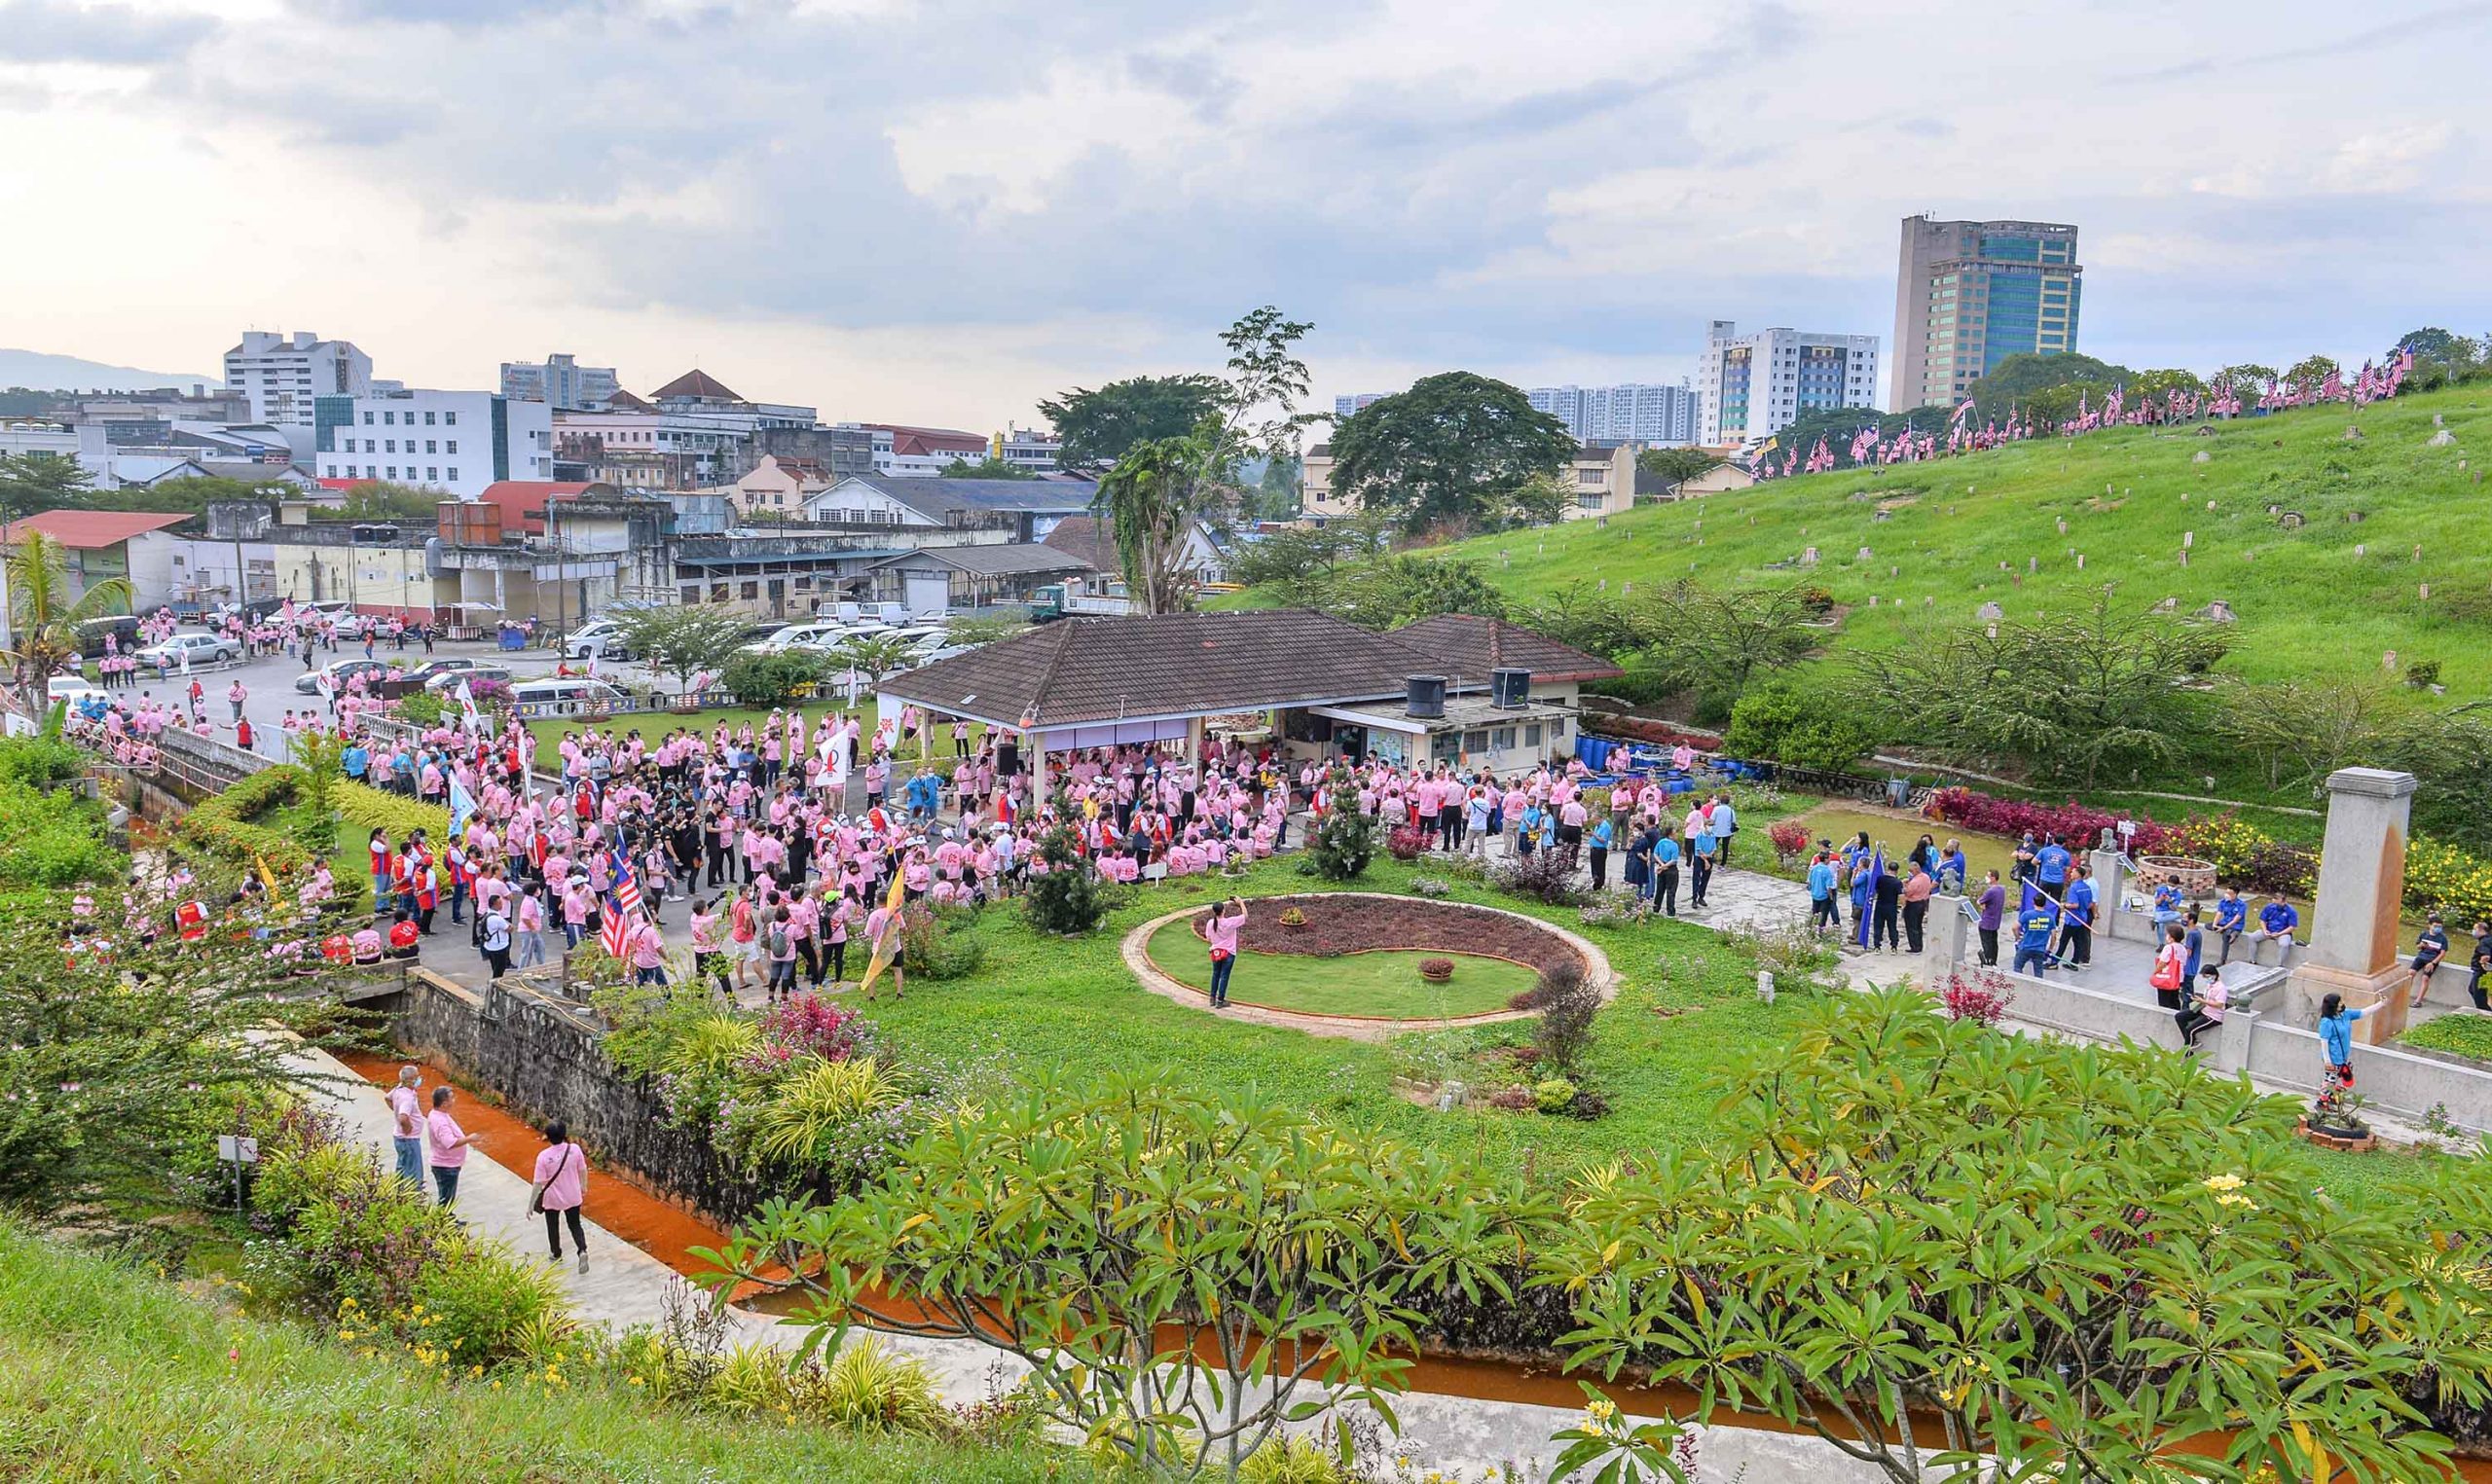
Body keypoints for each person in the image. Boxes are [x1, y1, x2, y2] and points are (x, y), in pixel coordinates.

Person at [531, 1120, 590, 1274]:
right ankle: (582, 1249)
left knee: (553, 1225)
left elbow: (538, 1183)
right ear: (565, 1134)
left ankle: (556, 1253)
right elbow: (583, 1170)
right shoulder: (575, 1149)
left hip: (552, 1198)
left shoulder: (543, 1157)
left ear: (548, 1137)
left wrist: (530, 1205)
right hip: (573, 1194)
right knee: (575, 1224)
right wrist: (584, 1186)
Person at [425, 1084, 477, 1208]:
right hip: (446, 1166)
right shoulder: (440, 1121)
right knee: (446, 1199)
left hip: (447, 1164)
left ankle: (448, 1218)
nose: (454, 1101)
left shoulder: (437, 1114)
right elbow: (450, 1143)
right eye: (451, 1098)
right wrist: (469, 1139)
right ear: (444, 1104)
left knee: (448, 1197)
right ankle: (443, 1221)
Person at [2317, 992, 2366, 1091]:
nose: (2342, 1004)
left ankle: (2328, 1097)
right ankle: (2323, 1101)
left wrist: (2381, 1004)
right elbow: (2324, 1042)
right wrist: (2327, 1061)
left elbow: (2362, 1013)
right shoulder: (2327, 1022)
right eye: (2339, 1003)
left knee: (2331, 1079)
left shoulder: (2345, 1014)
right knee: (2330, 1080)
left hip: (2341, 1056)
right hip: (2334, 1057)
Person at [1205, 896, 1247, 1008]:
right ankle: (1220, 1001)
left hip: (1216, 952)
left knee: (1215, 974)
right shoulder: (1230, 922)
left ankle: (1212, 998)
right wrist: (1241, 903)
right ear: (1223, 910)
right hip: (1229, 953)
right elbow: (1245, 916)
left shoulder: (1210, 923)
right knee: (1224, 976)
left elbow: (1208, 938)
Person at [387, 1065, 424, 1186]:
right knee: (413, 1173)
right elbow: (403, 1118)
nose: (419, 1079)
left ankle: (398, 1194)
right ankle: (411, 1199)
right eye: (417, 1077)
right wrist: (408, 1129)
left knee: (402, 1167)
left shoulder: (398, 1089)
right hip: (409, 1140)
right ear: (411, 1080)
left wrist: (395, 1110)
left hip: (400, 1138)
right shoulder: (407, 1098)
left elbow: (387, 1098)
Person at [2175, 964, 2227, 1052]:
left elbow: (2219, 1004)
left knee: (2190, 1030)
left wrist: (2203, 1001)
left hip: (2213, 1016)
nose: (2206, 979)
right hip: (2204, 1009)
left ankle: (2188, 1052)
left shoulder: (2221, 988)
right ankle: (2191, 1040)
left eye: (2207, 976)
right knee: (2179, 1016)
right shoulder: (2209, 986)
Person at [2056, 863, 2097, 969]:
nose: (2071, 873)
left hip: (2072, 919)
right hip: (2082, 918)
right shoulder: (2087, 887)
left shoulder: (2074, 888)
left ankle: (2054, 962)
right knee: (2077, 942)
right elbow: (2090, 903)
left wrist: (2064, 905)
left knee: (2063, 941)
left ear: (2078, 874)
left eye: (2073, 872)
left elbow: (2075, 904)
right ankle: (2074, 963)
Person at [2408, 914, 2449, 1007]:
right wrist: (2421, 945)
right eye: (2435, 926)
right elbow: (2418, 946)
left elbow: (2442, 953)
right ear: (2430, 925)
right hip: (2421, 957)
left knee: (2425, 978)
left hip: (2432, 960)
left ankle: (2418, 1001)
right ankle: (2405, 995)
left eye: (2440, 927)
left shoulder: (2443, 938)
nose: (2437, 928)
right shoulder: (2424, 934)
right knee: (2410, 973)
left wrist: (2433, 963)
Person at [2012, 894, 2057, 976]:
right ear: (2045, 903)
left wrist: (2018, 938)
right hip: (2040, 949)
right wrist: (2050, 949)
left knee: (2017, 967)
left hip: (2025, 947)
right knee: (2038, 972)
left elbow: (2014, 927)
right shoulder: (2050, 917)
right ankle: (2038, 988)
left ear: (2033, 902)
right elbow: (2054, 935)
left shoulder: (2027, 915)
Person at [2150, 923, 2188, 1011]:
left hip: (2167, 978)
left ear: (2171, 937)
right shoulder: (2183, 948)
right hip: (2178, 978)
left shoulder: (2169, 947)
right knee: (2174, 999)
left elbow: (2162, 962)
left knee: (2164, 1000)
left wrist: (2155, 973)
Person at [2251, 897, 2300, 961]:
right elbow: (2262, 920)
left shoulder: (2291, 911)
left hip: (2283, 933)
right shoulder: (2270, 907)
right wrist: (2265, 930)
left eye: (2277, 900)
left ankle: (2280, 964)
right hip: (2269, 930)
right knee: (2252, 937)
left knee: (2284, 944)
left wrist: (2279, 934)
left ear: (2283, 901)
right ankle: (2252, 959)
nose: (2275, 901)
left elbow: (2292, 927)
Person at [1899, 860, 1934, 954]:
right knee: (1918, 925)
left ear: (1914, 871)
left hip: (1913, 904)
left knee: (1911, 926)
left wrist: (1904, 885)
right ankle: (1919, 944)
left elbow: (1908, 892)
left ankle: (1914, 946)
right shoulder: (1926, 877)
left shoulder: (1915, 882)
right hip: (1923, 903)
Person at [1975, 870, 2007, 967]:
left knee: (1987, 943)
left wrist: (1981, 903)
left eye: (1988, 876)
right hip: (1995, 922)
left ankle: (1987, 961)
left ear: (1993, 878)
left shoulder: (1991, 891)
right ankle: (1993, 961)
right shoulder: (2001, 889)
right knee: (1993, 942)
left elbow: (1979, 901)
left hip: (1986, 922)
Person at [1806, 848, 1840, 936]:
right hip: (1824, 896)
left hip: (1815, 894)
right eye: (1829, 858)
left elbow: (1809, 881)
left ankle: (1811, 927)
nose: (1830, 860)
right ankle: (1821, 930)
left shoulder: (1814, 868)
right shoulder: (1827, 871)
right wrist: (1831, 897)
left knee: (1815, 912)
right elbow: (1828, 886)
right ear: (1825, 859)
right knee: (1823, 914)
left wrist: (1811, 890)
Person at [2214, 888, 2248, 963]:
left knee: (2226, 936)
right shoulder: (2223, 902)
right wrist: (2215, 925)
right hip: (2224, 923)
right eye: (2226, 892)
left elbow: (2235, 920)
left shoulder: (2241, 905)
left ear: (2235, 894)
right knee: (2208, 926)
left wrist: (2224, 928)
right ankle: (2230, 932)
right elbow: (2219, 913)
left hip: (2236, 925)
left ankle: (2223, 960)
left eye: (2229, 893)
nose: (2227, 895)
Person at [2469, 921, 2492, 1012]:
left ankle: (2485, 1014)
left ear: (2480, 930)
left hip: (2482, 972)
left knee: (2478, 994)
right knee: (2472, 989)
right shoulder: (2489, 939)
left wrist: (2483, 963)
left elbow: (2486, 956)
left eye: (2475, 929)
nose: (2473, 931)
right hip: (2484, 972)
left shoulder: (2484, 942)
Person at [1586, 814, 1613, 892]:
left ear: (1598, 819)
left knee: (1599, 868)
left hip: (1600, 850)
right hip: (1594, 848)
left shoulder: (1605, 827)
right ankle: (1595, 882)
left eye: (1594, 820)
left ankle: (1599, 885)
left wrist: (1593, 834)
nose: (1594, 823)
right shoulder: (1598, 826)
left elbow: (1603, 840)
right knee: (1594, 868)